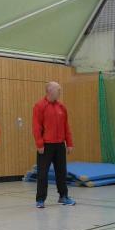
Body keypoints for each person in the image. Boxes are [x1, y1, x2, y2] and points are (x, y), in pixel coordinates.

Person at [33, 81, 75, 209]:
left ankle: (63, 196)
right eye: (58, 89)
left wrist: (69, 143)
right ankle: (40, 199)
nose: (60, 91)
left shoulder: (62, 107)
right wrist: (39, 144)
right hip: (46, 146)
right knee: (42, 173)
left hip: (60, 145)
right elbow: (36, 126)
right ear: (49, 91)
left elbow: (66, 126)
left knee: (62, 172)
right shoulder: (40, 106)